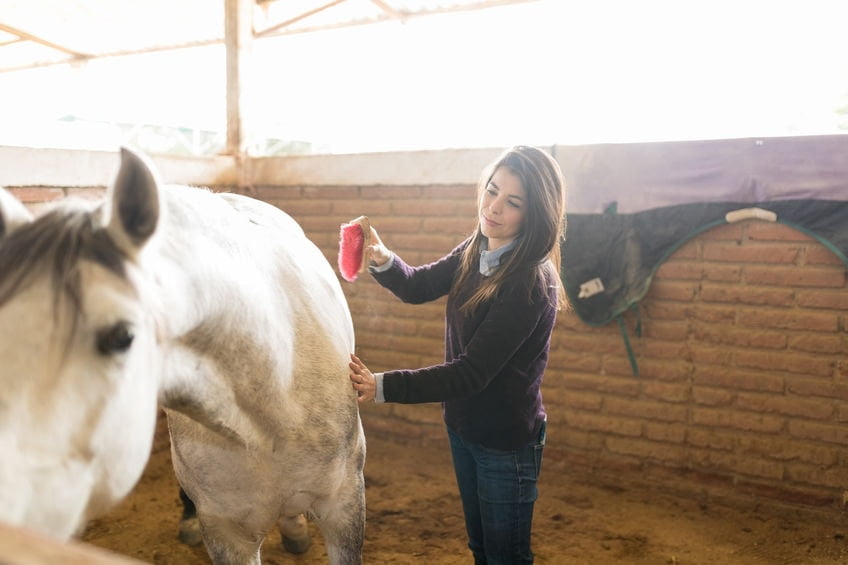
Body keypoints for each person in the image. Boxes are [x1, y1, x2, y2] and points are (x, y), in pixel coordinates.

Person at [348, 145, 567, 564]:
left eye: (512, 202)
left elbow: (471, 373)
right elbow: (418, 285)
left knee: (506, 557)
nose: (494, 207)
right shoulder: (478, 246)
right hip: (463, 428)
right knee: (482, 548)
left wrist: (381, 386)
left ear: (535, 214)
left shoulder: (530, 282)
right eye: (492, 190)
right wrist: (383, 258)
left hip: (505, 443)